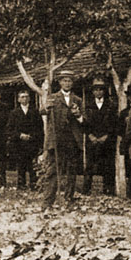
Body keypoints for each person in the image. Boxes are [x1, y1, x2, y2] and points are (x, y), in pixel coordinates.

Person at [41, 70, 85, 207]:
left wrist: (78, 115)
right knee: (53, 171)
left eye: (69, 81)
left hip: (72, 140)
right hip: (57, 139)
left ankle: (69, 199)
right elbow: (42, 112)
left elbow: (84, 121)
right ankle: (48, 202)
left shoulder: (78, 100)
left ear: (72, 83)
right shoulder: (52, 98)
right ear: (60, 82)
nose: (67, 83)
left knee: (71, 171)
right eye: (64, 80)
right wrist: (46, 107)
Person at [84, 77, 117, 195]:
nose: (98, 92)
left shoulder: (111, 106)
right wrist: (90, 135)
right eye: (96, 90)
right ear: (92, 92)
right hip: (91, 139)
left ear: (104, 91)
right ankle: (87, 189)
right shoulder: (88, 106)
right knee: (90, 164)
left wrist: (106, 136)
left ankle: (108, 189)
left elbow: (114, 124)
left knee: (108, 164)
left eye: (101, 90)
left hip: (106, 140)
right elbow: (85, 124)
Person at [5, 88, 43, 189]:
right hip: (19, 143)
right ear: (18, 99)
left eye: (26, 97)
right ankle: (21, 184)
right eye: (22, 97)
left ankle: (33, 184)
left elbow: (40, 128)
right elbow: (9, 129)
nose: (25, 99)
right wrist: (20, 135)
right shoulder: (14, 113)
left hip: (32, 142)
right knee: (21, 164)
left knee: (32, 165)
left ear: (29, 98)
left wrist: (33, 137)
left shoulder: (34, 112)